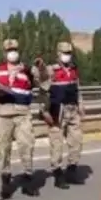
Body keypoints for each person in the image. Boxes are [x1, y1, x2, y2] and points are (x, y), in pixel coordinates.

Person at [0, 39, 38, 199]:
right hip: (2, 114)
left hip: (22, 114)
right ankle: (6, 181)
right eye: (9, 50)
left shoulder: (27, 70)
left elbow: (42, 82)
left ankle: (28, 180)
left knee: (27, 145)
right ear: (4, 53)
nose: (12, 53)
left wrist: (39, 69)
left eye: (14, 49)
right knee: (3, 148)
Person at [35, 41, 85, 189]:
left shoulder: (73, 69)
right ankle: (58, 174)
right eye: (64, 53)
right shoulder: (51, 70)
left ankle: (72, 170)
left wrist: (81, 104)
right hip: (57, 111)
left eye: (69, 53)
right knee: (56, 144)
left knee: (76, 141)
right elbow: (42, 88)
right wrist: (44, 111)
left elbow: (77, 88)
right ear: (58, 54)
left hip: (72, 110)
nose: (67, 56)